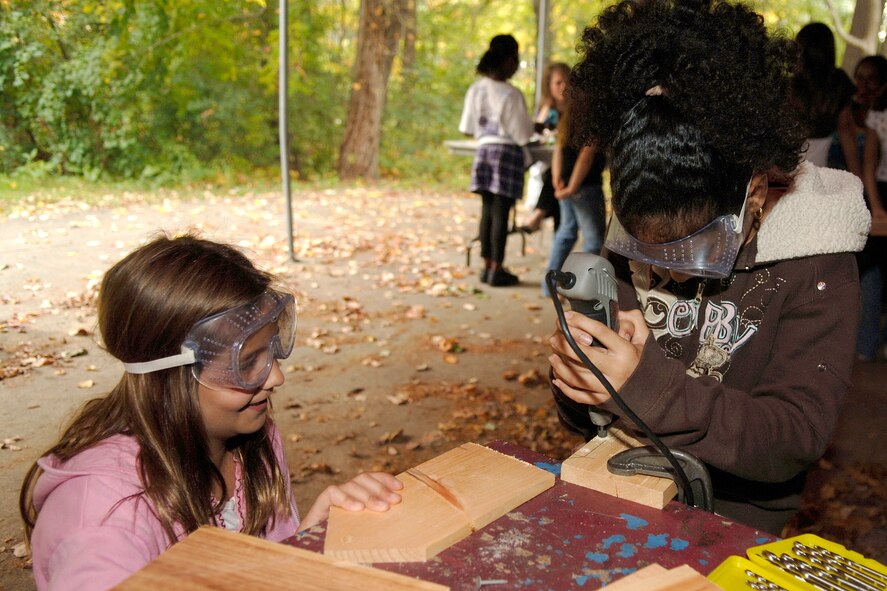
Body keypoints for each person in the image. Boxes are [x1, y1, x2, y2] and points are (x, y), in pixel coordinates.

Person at [548, 0, 869, 535]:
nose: (668, 276)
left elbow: (792, 439)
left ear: (755, 193)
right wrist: (582, 379)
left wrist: (648, 386)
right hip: (618, 484)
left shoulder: (818, 259)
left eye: (688, 252)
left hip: (733, 518)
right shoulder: (649, 203)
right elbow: (597, 413)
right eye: (645, 251)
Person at [19, 235, 404, 590]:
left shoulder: (252, 438)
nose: (277, 376)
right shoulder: (102, 515)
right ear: (172, 371)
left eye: (271, 352)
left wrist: (308, 542)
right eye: (248, 361)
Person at [460, 34, 535, 287]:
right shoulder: (512, 94)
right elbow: (523, 133)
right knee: (502, 213)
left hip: (484, 152)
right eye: (515, 59)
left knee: (488, 209)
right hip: (506, 154)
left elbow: (468, 127)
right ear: (507, 61)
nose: (517, 64)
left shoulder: (476, 89)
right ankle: (497, 268)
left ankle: (486, 266)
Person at [542, 98, 606, 297]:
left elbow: (558, 151)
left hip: (569, 185)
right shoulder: (592, 123)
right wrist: (570, 187)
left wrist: (557, 179)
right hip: (583, 187)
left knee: (566, 233)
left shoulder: (567, 121)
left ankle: (550, 285)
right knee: (594, 240)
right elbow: (586, 157)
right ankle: (581, 287)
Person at [790, 23, 855, 169]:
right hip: (818, 170)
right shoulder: (838, 83)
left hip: (783, 172)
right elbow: (846, 131)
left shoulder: (788, 83)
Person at [521, 62, 571, 235]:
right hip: (551, 163)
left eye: (567, 81)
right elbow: (540, 130)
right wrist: (547, 107)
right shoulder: (549, 109)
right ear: (549, 86)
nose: (563, 87)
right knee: (554, 177)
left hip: (571, 165)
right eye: (558, 83)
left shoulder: (576, 109)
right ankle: (546, 217)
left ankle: (540, 212)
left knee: (555, 176)